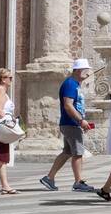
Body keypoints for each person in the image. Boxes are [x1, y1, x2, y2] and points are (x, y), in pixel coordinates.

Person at [39, 58, 95, 192]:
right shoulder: (70, 84)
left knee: (67, 152)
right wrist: (80, 121)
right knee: (78, 153)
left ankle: (49, 177)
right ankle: (78, 182)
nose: (87, 74)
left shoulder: (75, 84)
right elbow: (68, 105)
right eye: (85, 70)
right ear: (77, 70)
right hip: (71, 123)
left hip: (71, 123)